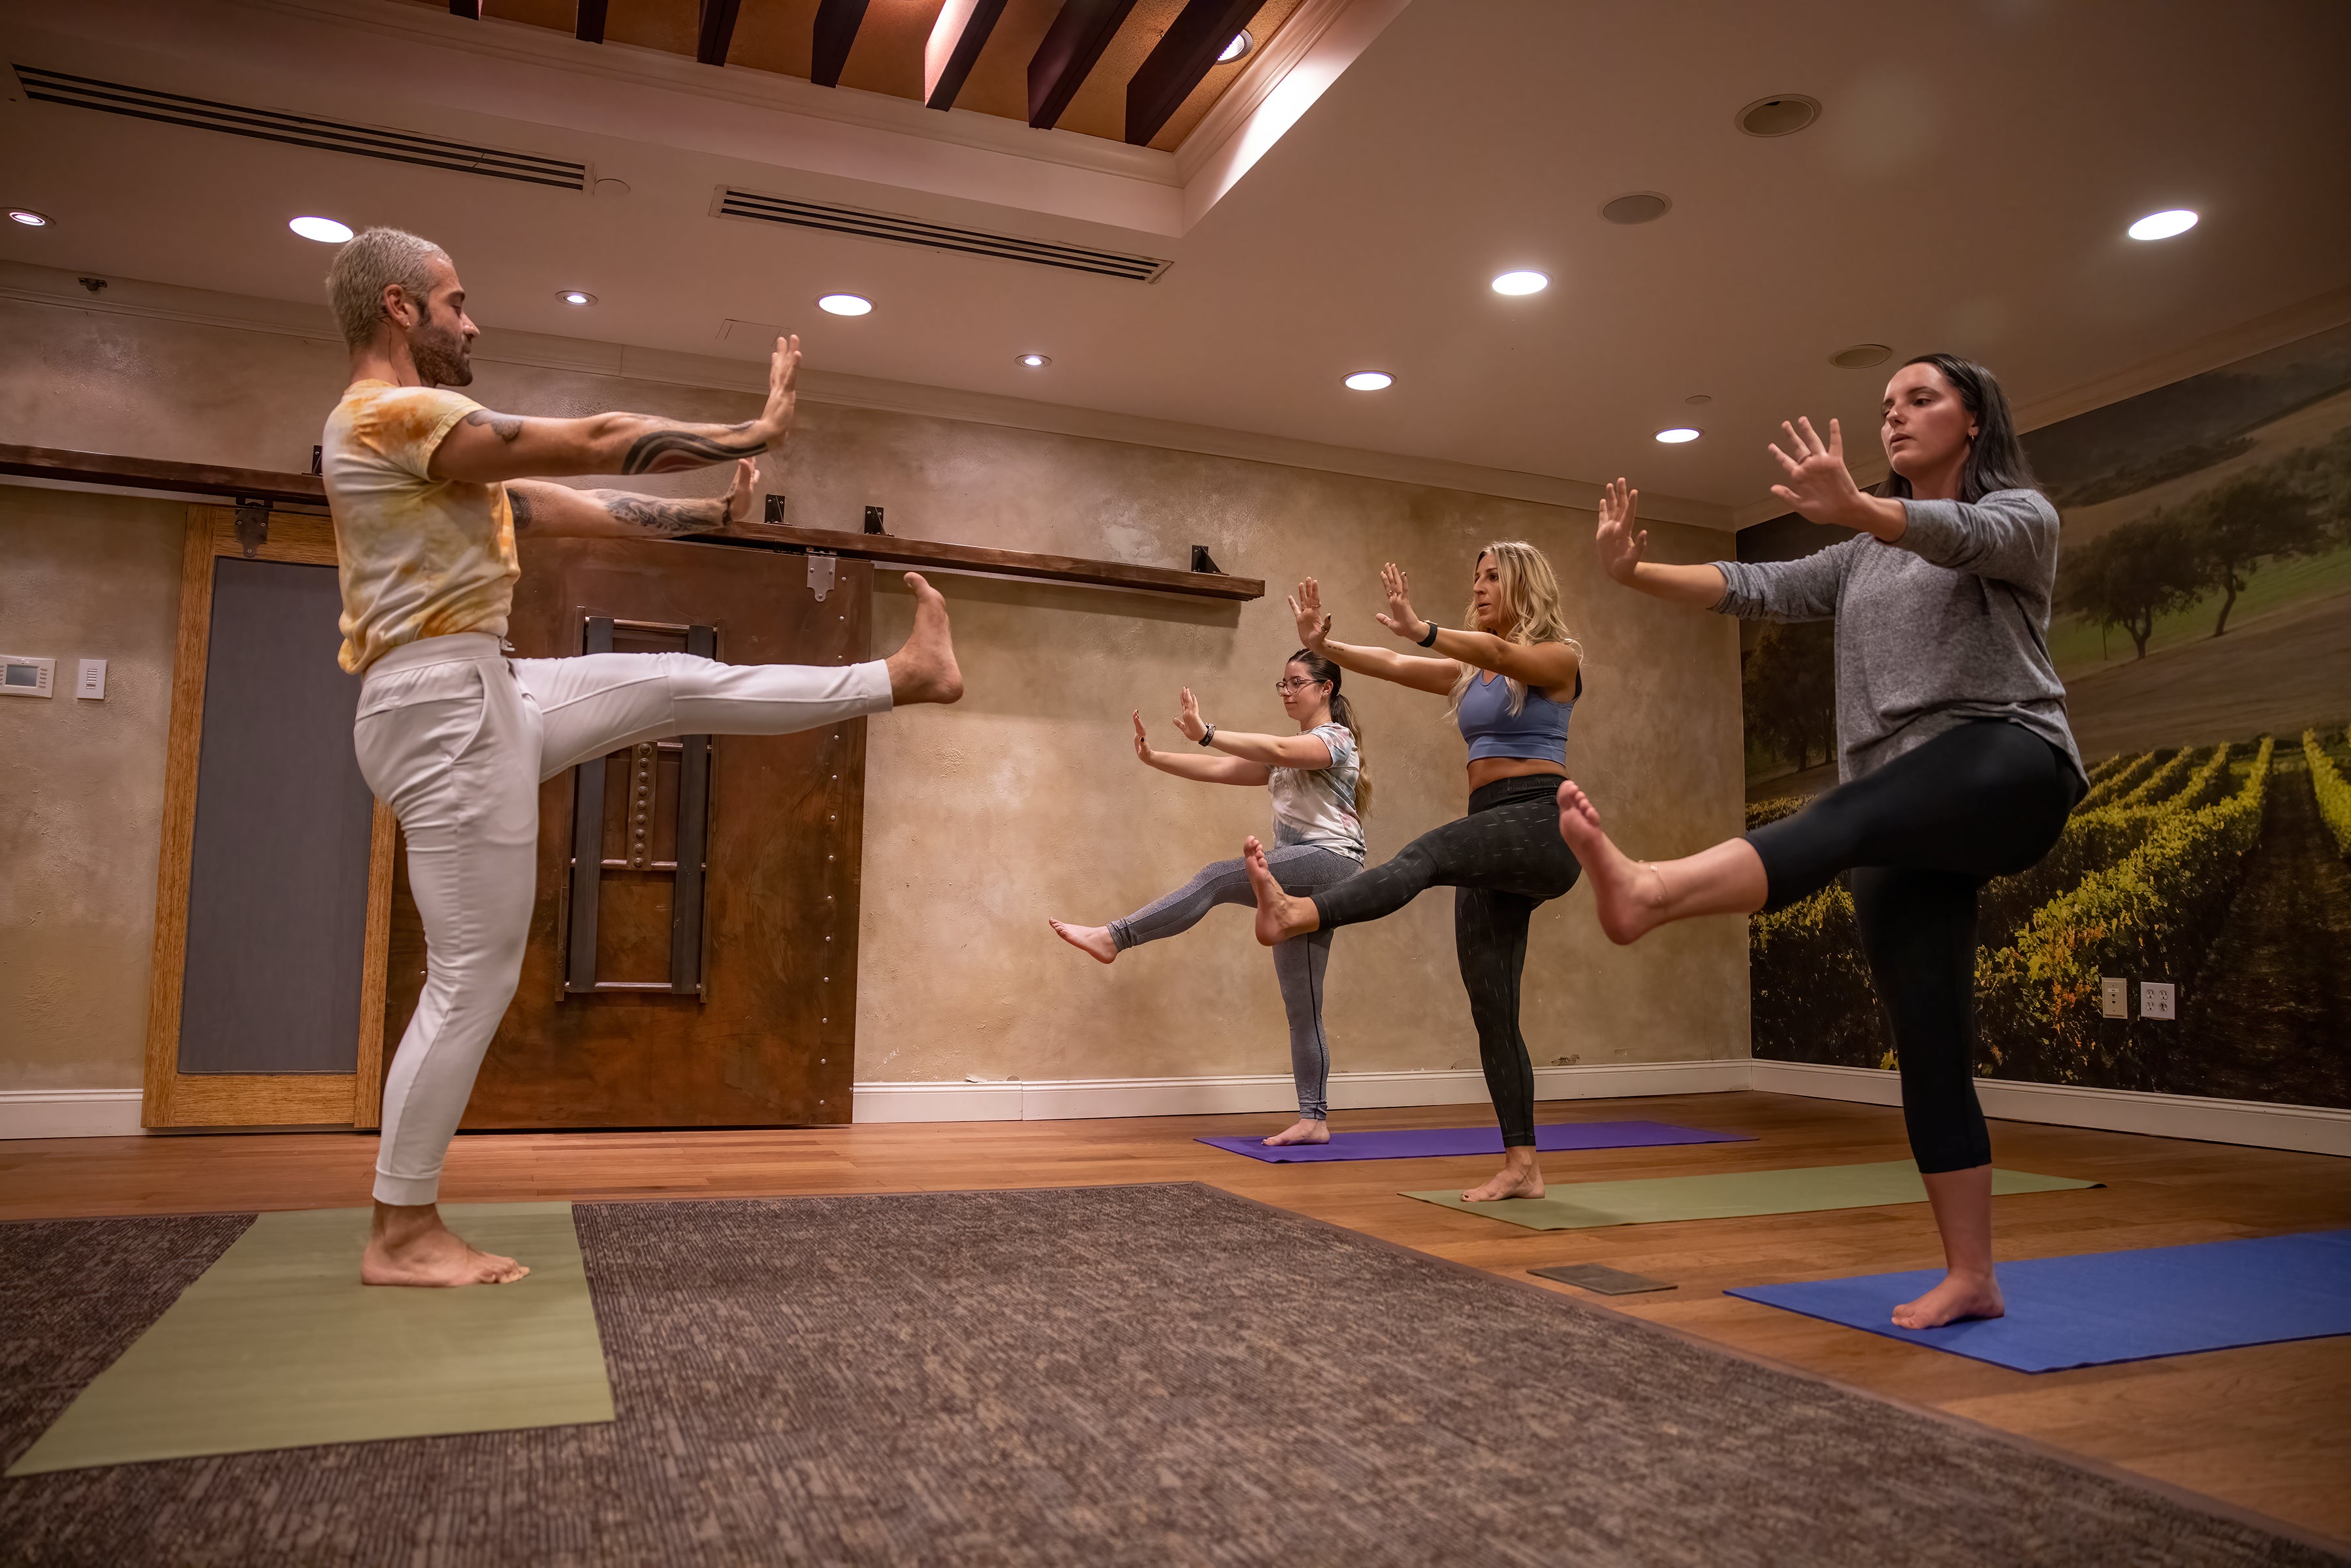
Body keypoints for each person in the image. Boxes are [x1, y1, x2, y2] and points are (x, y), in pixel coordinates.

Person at [320, 227, 965, 1287]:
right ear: (401, 307)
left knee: (676, 683)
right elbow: (598, 438)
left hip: (475, 690)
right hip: (444, 708)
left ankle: (904, 677)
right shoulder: (391, 415)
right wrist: (750, 426)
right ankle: (400, 1231)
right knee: (470, 981)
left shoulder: (429, 454)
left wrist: (713, 512)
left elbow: (572, 506)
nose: (471, 321)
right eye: (456, 301)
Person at [1555, 353, 2085, 1330]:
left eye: (1920, 400)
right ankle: (1974, 1273)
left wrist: (1858, 509)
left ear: (1974, 420)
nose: (1896, 417)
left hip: (2006, 765)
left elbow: (1955, 534)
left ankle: (1652, 892)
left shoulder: (2021, 519)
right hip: (1898, 804)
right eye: (1885, 406)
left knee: (1840, 823)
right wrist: (1634, 572)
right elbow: (1756, 586)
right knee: (1928, 1041)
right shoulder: (1862, 555)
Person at [1241, 548, 1584, 1200]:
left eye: (1491, 577)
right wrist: (1328, 645)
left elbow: (1507, 657)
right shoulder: (1471, 669)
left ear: (1524, 585)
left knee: (1423, 856)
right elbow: (1399, 667)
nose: (1479, 587)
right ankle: (1523, 1165)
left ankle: (1301, 912)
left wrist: (1422, 627)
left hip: (1541, 823)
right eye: (1476, 576)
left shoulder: (1558, 657)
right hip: (1491, 833)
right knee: (1493, 1009)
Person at [1049, 652, 1371, 1145]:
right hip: (1295, 880)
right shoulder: (1284, 755)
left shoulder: (1334, 739)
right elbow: (1224, 767)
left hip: (1331, 862)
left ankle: (1115, 937)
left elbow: (1283, 749)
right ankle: (1314, 1118)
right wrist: (1155, 757)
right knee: (1302, 1003)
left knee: (1219, 876)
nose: (1286, 691)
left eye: (1296, 683)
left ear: (1325, 689)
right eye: (1280, 683)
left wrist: (1207, 729)